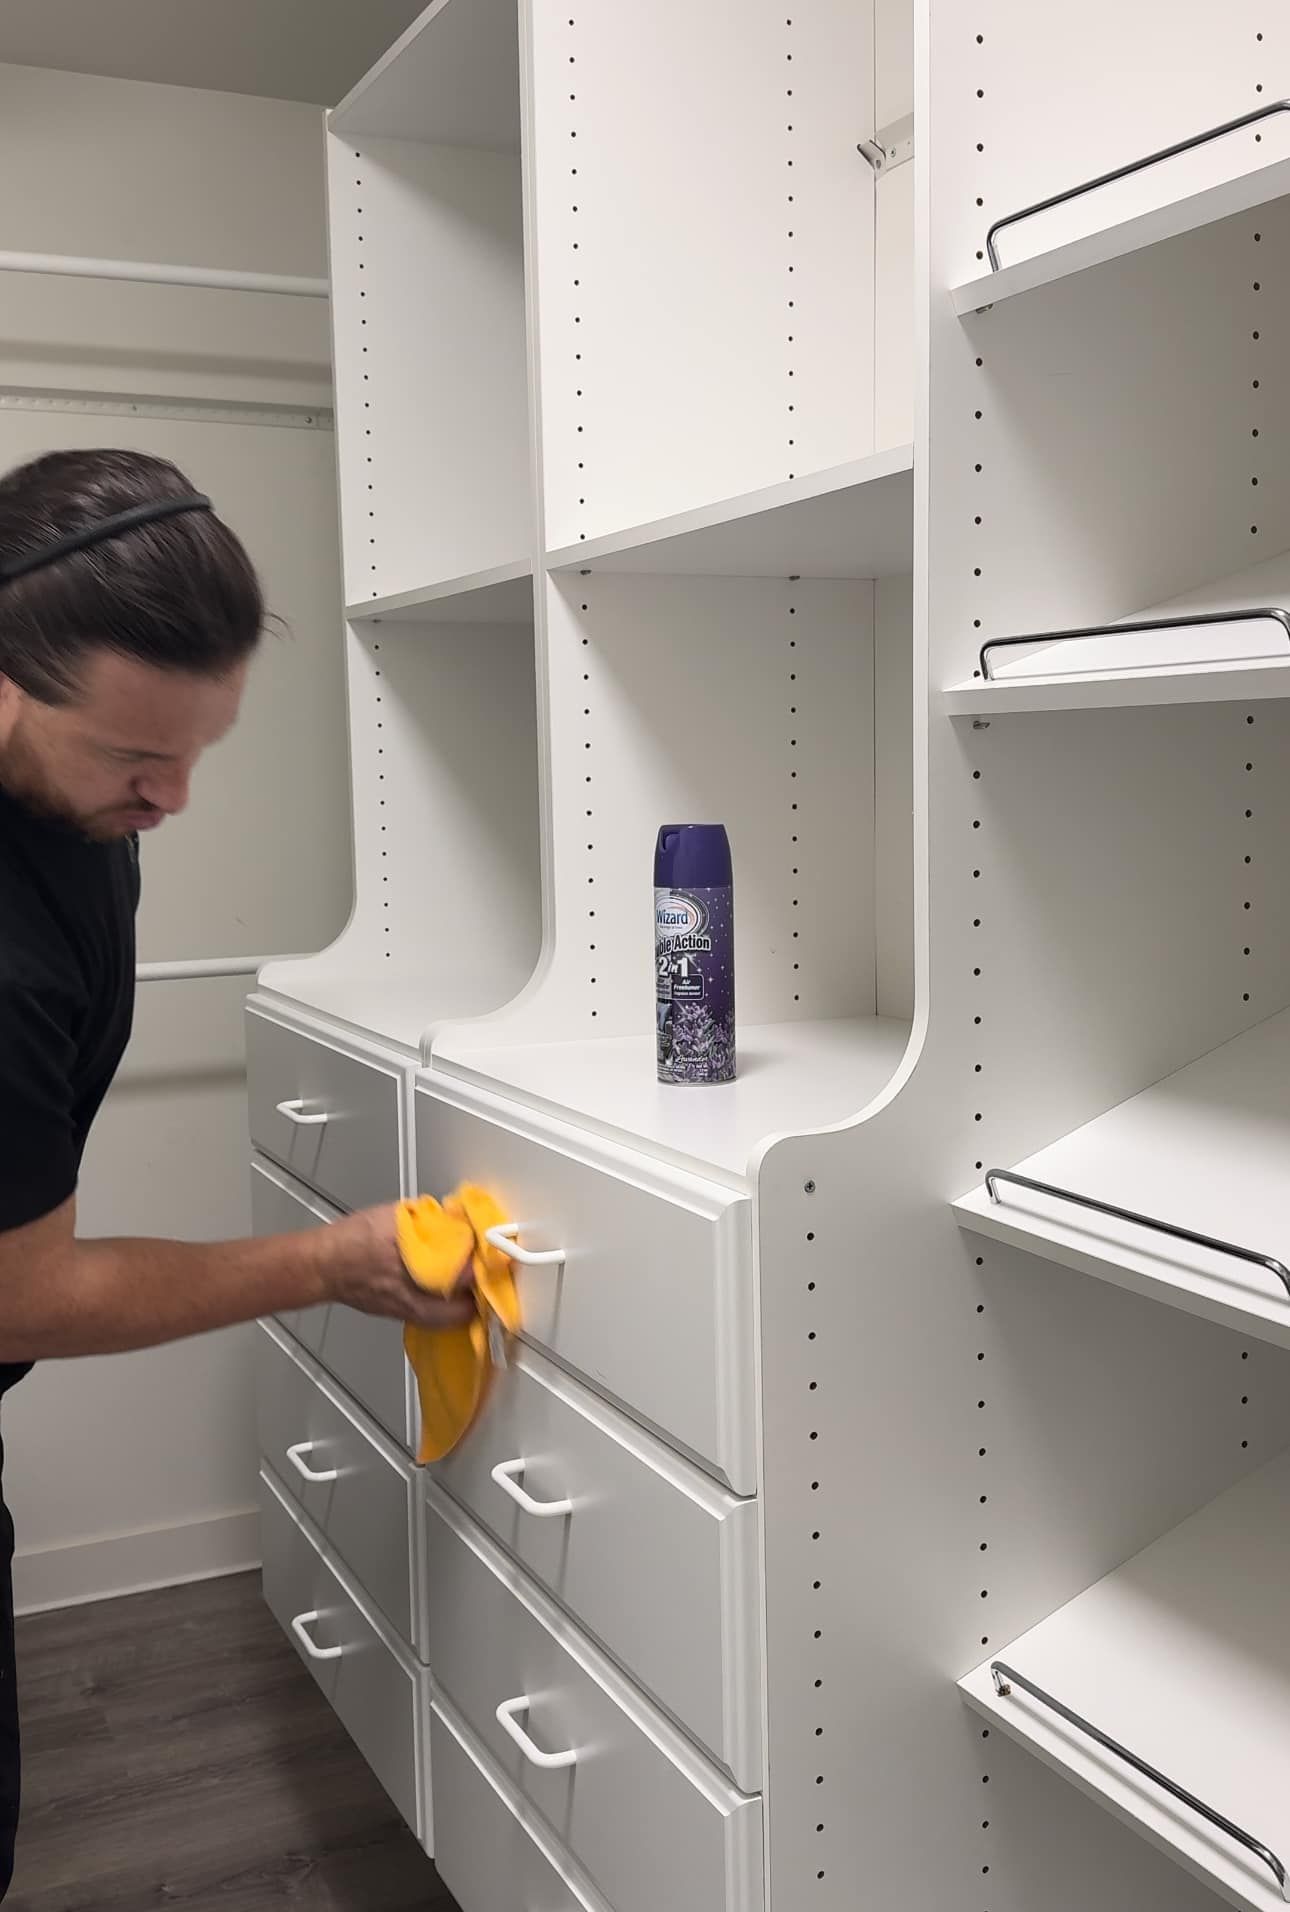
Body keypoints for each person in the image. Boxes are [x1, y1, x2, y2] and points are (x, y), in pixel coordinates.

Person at [0, 447, 472, 1898]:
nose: (175, 798)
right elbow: (23, 1300)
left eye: (202, 749)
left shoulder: (71, 806)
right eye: (138, 758)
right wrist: (329, 1263)